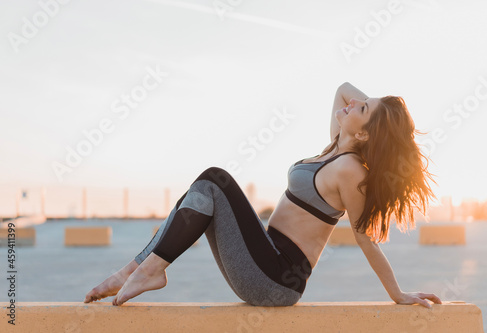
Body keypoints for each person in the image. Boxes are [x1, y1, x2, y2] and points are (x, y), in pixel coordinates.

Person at [84, 82, 442, 308]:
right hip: (260, 259)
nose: (353, 103)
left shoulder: (350, 171)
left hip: (276, 279)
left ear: (364, 136)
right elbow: (343, 89)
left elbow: (367, 242)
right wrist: (370, 111)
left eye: (362, 108)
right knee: (200, 194)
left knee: (214, 180)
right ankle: (135, 270)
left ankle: (147, 270)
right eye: (360, 102)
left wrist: (397, 294)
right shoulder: (334, 146)